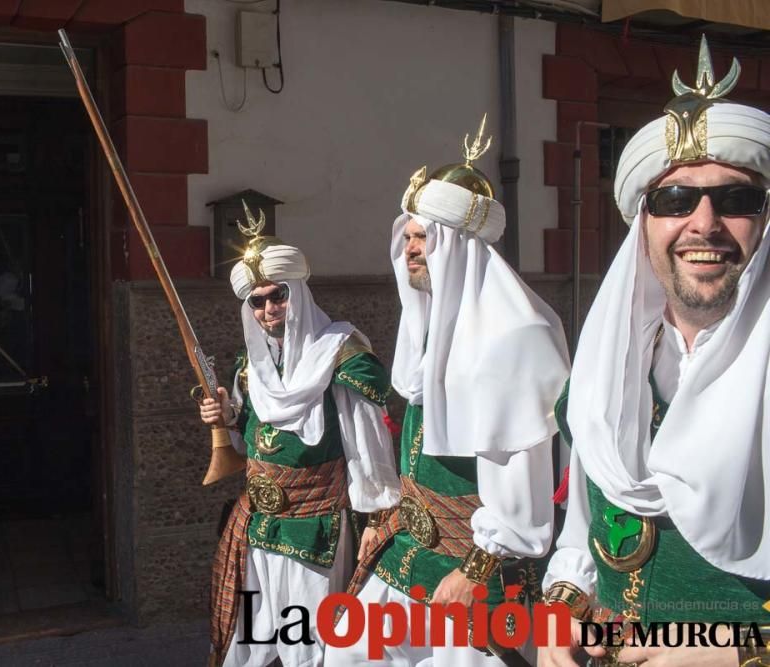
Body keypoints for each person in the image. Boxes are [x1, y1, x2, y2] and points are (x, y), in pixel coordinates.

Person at [540, 37, 770, 667]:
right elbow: (583, 534)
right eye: (674, 200)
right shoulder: (602, 376)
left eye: (735, 200)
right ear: (643, 224)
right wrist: (562, 599)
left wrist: (730, 649)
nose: (703, 223)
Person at [324, 118, 570, 666]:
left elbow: (525, 496)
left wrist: (475, 571)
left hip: (476, 570)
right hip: (410, 552)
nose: (411, 249)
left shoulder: (515, 335)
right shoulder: (433, 326)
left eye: (424, 238)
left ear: (458, 243)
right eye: (407, 237)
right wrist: (388, 520)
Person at [201, 206, 402, 667]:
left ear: (299, 294)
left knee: (310, 646)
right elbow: (244, 444)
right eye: (257, 301)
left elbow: (368, 448)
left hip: (317, 531)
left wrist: (377, 521)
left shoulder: (341, 355)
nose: (268, 310)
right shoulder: (250, 368)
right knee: (252, 640)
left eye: (278, 296)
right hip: (257, 527)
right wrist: (224, 418)